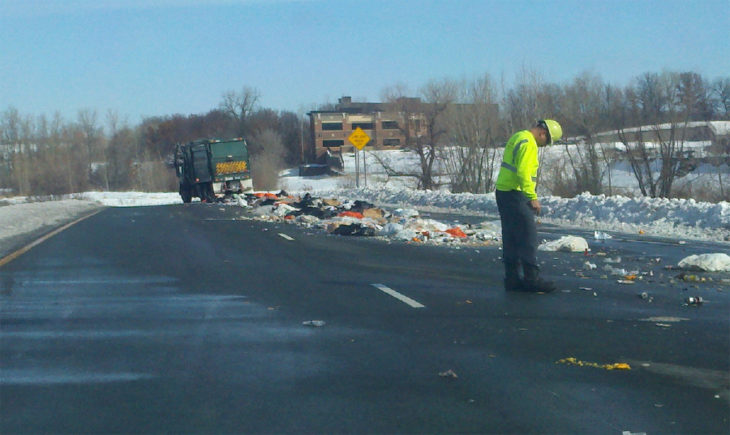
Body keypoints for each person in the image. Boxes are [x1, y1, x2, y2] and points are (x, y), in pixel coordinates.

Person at [495, 119, 562, 292]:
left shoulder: (518, 136)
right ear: (543, 133)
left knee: (510, 235)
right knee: (528, 235)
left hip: (503, 192)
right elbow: (524, 172)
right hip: (516, 193)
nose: (544, 146)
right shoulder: (529, 143)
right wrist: (532, 197)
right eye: (546, 142)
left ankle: (512, 278)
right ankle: (532, 279)